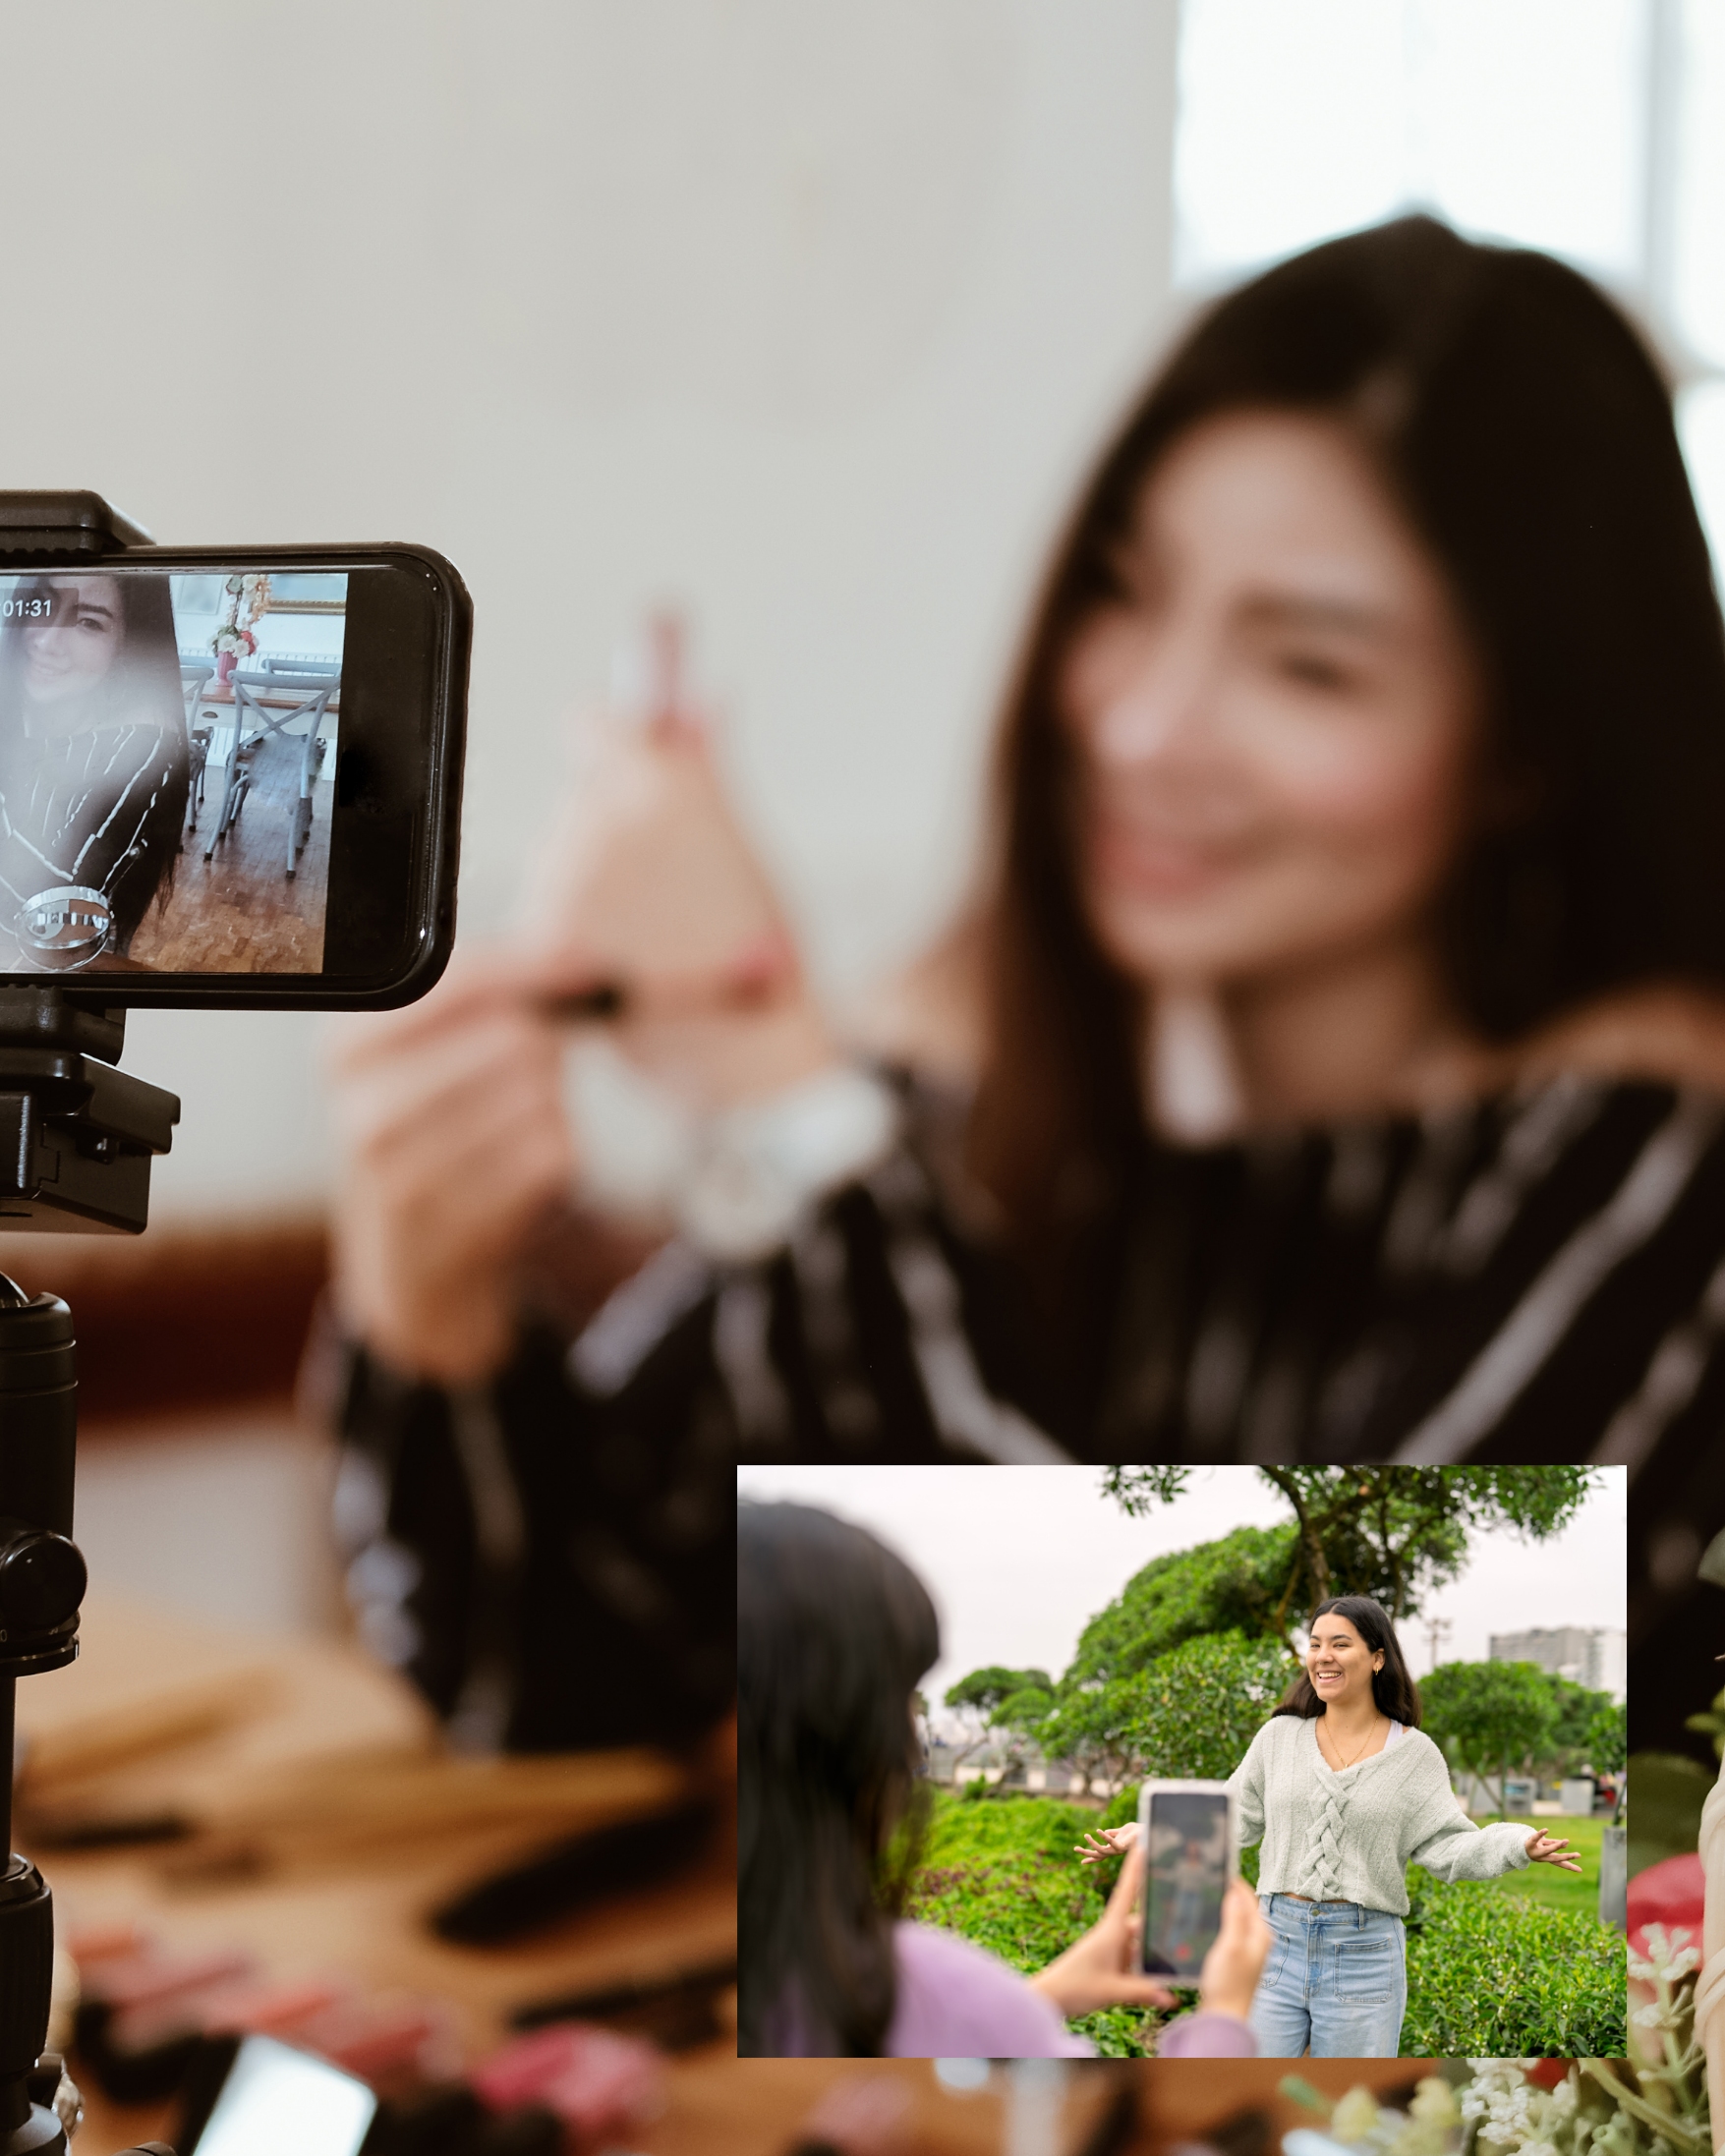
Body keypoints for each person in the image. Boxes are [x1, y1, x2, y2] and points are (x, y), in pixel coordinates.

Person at [324, 214, 1723, 1735]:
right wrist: (432, 1306)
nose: (1138, 725)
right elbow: (566, 1687)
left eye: (1306, 665)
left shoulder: (1657, 1184)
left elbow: (1243, 1796)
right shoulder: (982, 1078)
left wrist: (792, 1122)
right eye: (1123, 592)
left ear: (1526, 751)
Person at [739, 1498, 1273, 2057]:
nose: (911, 1746)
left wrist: (1035, 1999)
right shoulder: (906, 1988)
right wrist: (1222, 2015)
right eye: (899, 1698)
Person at [1074, 1596, 1581, 2057]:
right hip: (1272, 1942)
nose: (1323, 1656)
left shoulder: (1415, 1754)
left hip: (1364, 1954)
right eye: (1315, 1644)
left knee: (1346, 2103)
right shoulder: (1279, 1738)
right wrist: (1148, 1833)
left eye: (1341, 1644)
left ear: (1378, 1657)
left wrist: (1517, 1843)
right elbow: (1229, 1819)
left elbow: (1448, 1845)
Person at [0, 571, 189, 970]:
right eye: (43, 605)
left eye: (88, 623)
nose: (47, 640)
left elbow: (43, 915)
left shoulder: (143, 745)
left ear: (128, 645)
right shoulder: (18, 704)